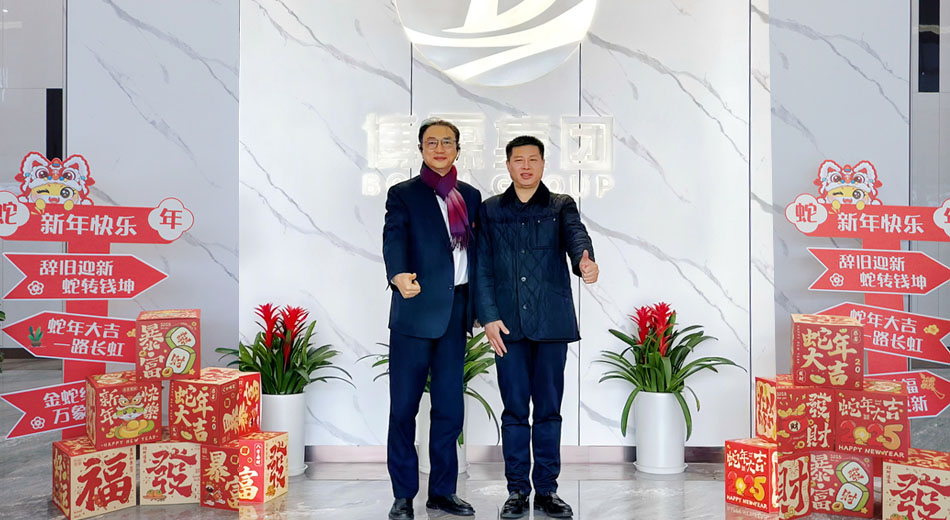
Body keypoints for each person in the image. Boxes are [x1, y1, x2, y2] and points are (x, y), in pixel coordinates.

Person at [474, 135, 599, 519]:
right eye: (518, 160)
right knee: (514, 412)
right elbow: (481, 266)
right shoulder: (490, 210)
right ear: (508, 165)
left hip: (550, 325)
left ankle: (547, 490)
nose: (526, 166)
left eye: (533, 159)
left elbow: (576, 235)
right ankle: (516, 491)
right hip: (506, 327)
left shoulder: (560, 205)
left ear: (543, 164)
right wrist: (488, 316)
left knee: (548, 411)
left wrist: (584, 260)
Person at [382, 118, 482, 520]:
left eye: (447, 142)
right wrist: (397, 273)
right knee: (403, 409)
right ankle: (403, 495)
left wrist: (480, 308)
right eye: (431, 142)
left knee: (449, 410)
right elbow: (394, 237)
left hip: (456, 314)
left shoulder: (470, 196)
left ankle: (442, 492)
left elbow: (476, 253)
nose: (439, 148)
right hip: (415, 311)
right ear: (421, 149)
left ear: (458, 149)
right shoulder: (404, 194)